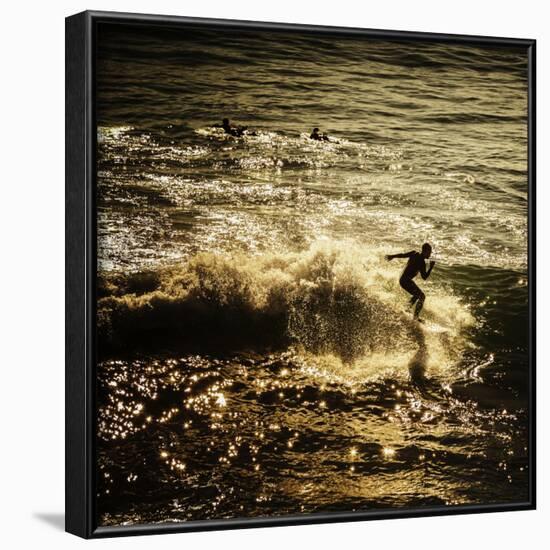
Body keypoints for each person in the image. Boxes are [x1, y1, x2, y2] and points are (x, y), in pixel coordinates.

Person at [386, 243, 436, 320]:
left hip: (402, 279)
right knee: (422, 296)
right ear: (425, 251)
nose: (430, 254)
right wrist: (431, 267)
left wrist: (392, 256)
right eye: (429, 252)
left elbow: (402, 255)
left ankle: (407, 308)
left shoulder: (414, 253)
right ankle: (415, 316)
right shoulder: (422, 263)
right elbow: (424, 277)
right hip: (406, 280)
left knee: (417, 295)